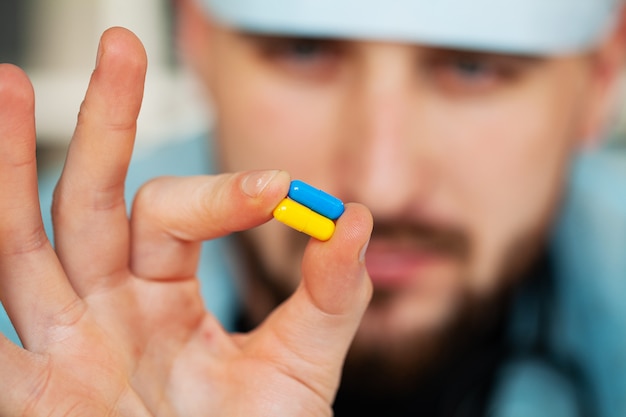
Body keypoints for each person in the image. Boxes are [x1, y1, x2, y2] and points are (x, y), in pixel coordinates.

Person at [0, 0, 625, 415]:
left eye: (473, 66)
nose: (381, 186)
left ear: (602, 75)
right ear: (195, 39)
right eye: (303, 52)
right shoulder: (35, 338)